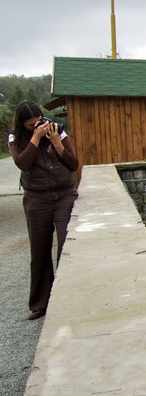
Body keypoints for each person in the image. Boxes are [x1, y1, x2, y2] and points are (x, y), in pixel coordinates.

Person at [8, 100, 79, 320]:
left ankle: (67, 299)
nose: (37, 126)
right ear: (22, 125)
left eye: (39, 122)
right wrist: (35, 138)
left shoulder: (58, 130)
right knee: (39, 250)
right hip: (36, 198)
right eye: (31, 125)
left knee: (67, 246)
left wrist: (57, 142)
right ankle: (40, 303)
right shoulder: (15, 138)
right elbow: (23, 164)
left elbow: (73, 164)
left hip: (64, 195)